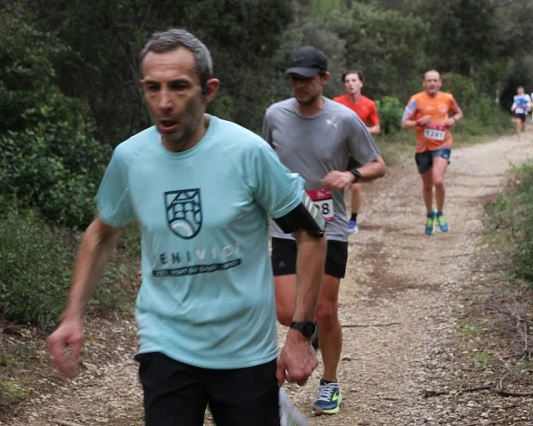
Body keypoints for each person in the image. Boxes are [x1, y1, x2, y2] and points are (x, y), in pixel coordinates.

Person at [47, 29, 328, 426]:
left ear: (208, 89)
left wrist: (300, 333)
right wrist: (72, 315)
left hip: (246, 350)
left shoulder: (247, 153)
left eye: (178, 87)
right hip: (166, 344)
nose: (164, 103)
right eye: (152, 88)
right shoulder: (131, 158)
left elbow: (311, 234)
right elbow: (102, 231)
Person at [262, 46, 386, 416]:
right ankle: (306, 334)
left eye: (307, 78)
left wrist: (350, 175)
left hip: (329, 226)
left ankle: (330, 382)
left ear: (324, 79)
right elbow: (263, 162)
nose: (300, 85)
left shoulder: (345, 119)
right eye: (294, 78)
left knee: (325, 310)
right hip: (286, 227)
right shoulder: (275, 115)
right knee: (287, 312)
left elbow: (377, 165)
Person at [401, 70, 463, 235]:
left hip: (442, 144)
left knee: (438, 181)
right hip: (423, 147)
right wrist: (418, 122)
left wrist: (453, 120)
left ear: (440, 83)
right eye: (429, 81)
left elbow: (458, 112)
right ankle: (430, 213)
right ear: (424, 83)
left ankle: (440, 212)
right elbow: (404, 123)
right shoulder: (416, 100)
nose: (432, 84)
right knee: (427, 185)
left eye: (435, 81)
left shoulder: (447, 98)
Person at [332, 70, 381, 235]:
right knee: (334, 185)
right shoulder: (337, 103)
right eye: (347, 81)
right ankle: (332, 218)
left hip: (358, 152)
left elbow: (377, 127)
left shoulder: (369, 104)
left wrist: (363, 130)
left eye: (354, 80)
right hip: (339, 151)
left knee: (356, 187)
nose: (350, 84)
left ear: (361, 83)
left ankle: (352, 220)